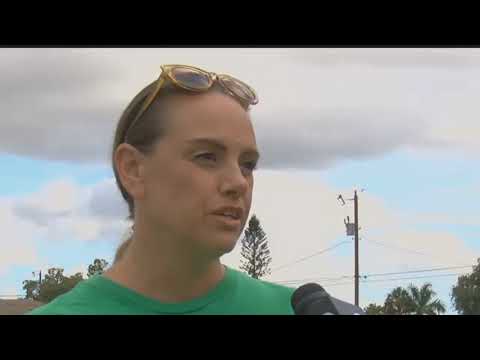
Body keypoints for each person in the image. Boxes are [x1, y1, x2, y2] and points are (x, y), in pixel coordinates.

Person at [29, 64, 295, 315]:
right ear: (132, 169)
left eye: (247, 165)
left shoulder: (298, 309)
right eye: (207, 157)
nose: (238, 182)